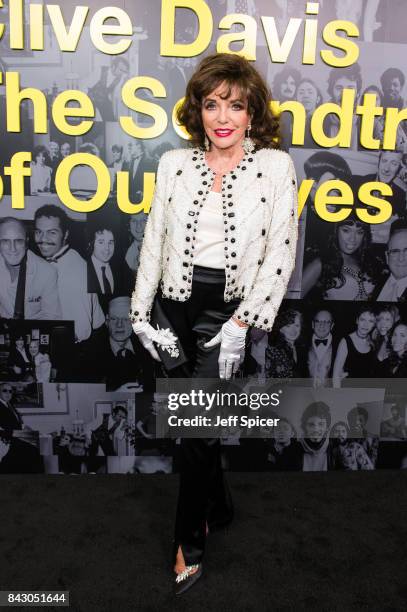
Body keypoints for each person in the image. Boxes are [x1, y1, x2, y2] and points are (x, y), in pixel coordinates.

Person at [129, 53, 298, 594]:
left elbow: (281, 251)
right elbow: (154, 239)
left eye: (236, 105)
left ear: (253, 114)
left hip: (224, 311)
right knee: (194, 431)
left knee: (195, 432)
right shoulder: (175, 163)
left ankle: (189, 546)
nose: (223, 116)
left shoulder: (275, 168)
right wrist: (140, 313)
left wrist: (243, 321)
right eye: (211, 104)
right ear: (197, 110)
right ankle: (219, 505)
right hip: (173, 306)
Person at [34, 205, 106, 380]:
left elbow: (80, 331)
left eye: (52, 232)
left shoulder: (72, 272)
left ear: (65, 234)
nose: (43, 239)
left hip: (73, 360)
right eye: (39, 232)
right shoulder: (64, 258)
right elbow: (97, 320)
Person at [302, 213, 378, 300]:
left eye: (359, 232)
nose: (352, 239)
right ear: (335, 231)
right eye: (346, 230)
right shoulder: (320, 264)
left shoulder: (368, 261)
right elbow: (292, 297)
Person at [0, 217, 61, 320]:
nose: (12, 248)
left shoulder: (47, 272)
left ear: (26, 242)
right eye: (5, 241)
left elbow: (52, 316)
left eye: (18, 241)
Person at [104, 296, 154, 392]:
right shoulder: (91, 354)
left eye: (126, 319)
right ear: (107, 321)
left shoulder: (149, 348)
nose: (119, 325)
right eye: (114, 319)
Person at [351, 151, 406, 218]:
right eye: (384, 161)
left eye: (394, 164)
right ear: (379, 163)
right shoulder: (357, 182)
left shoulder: (401, 195)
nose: (386, 169)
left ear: (399, 168)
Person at [333, 307, 377, 387]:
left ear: (374, 324)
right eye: (362, 319)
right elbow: (336, 376)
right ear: (357, 320)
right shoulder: (345, 341)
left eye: (370, 321)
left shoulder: (373, 342)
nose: (365, 325)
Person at [372, 219, 407, 301]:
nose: (401, 258)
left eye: (406, 251)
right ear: (387, 257)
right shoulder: (377, 281)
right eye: (395, 251)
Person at [265, 308, 305, 378]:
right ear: (281, 329)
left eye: (297, 325)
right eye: (288, 326)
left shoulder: (304, 349)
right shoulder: (273, 351)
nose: (293, 330)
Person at [307, 309, 336, 387]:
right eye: (318, 321)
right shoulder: (302, 346)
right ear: (313, 324)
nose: (322, 325)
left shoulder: (339, 346)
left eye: (327, 322)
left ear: (332, 325)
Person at [299, 401, 331, 471]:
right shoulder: (294, 449)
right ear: (304, 427)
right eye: (311, 425)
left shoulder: (334, 450)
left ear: (327, 428)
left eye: (321, 424)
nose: (316, 429)